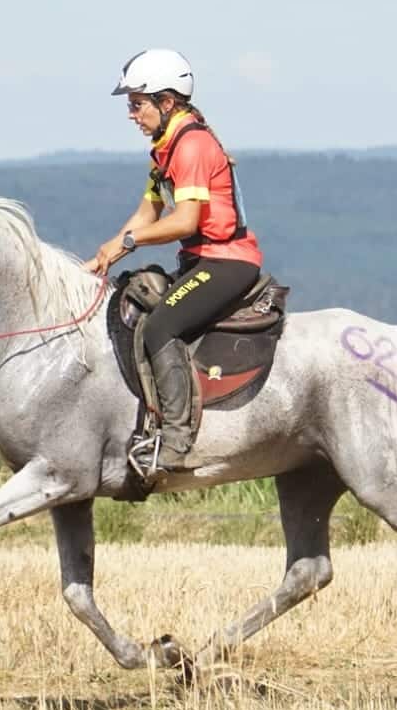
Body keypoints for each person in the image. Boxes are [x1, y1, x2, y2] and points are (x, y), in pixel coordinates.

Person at [86, 49, 264, 476]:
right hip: (201, 261)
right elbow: (149, 212)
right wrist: (107, 252)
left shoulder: (192, 146)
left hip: (227, 262)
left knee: (161, 324)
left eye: (136, 103)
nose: (131, 113)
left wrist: (130, 239)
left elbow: (185, 220)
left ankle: (178, 439)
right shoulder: (165, 148)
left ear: (165, 102)